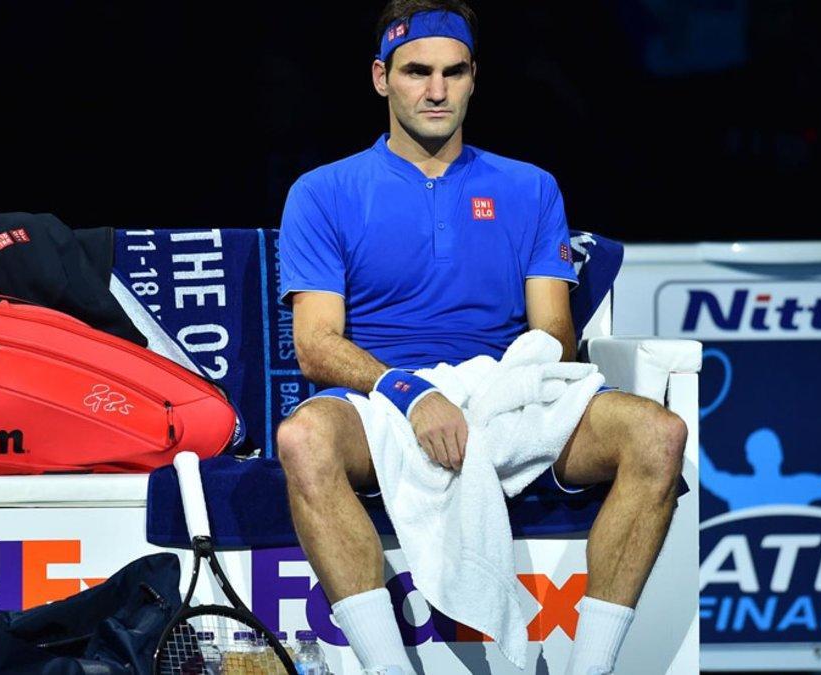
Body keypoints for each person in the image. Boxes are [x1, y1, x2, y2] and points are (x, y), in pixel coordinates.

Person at [276, 2, 687, 673]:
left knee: (659, 433)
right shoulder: (323, 193)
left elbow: (553, 330)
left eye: (451, 72)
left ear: (473, 78)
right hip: (387, 402)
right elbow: (317, 344)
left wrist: (489, 395)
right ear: (382, 77)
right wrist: (412, 393)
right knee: (303, 438)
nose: (435, 90)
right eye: (416, 72)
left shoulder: (529, 187)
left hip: (504, 396)